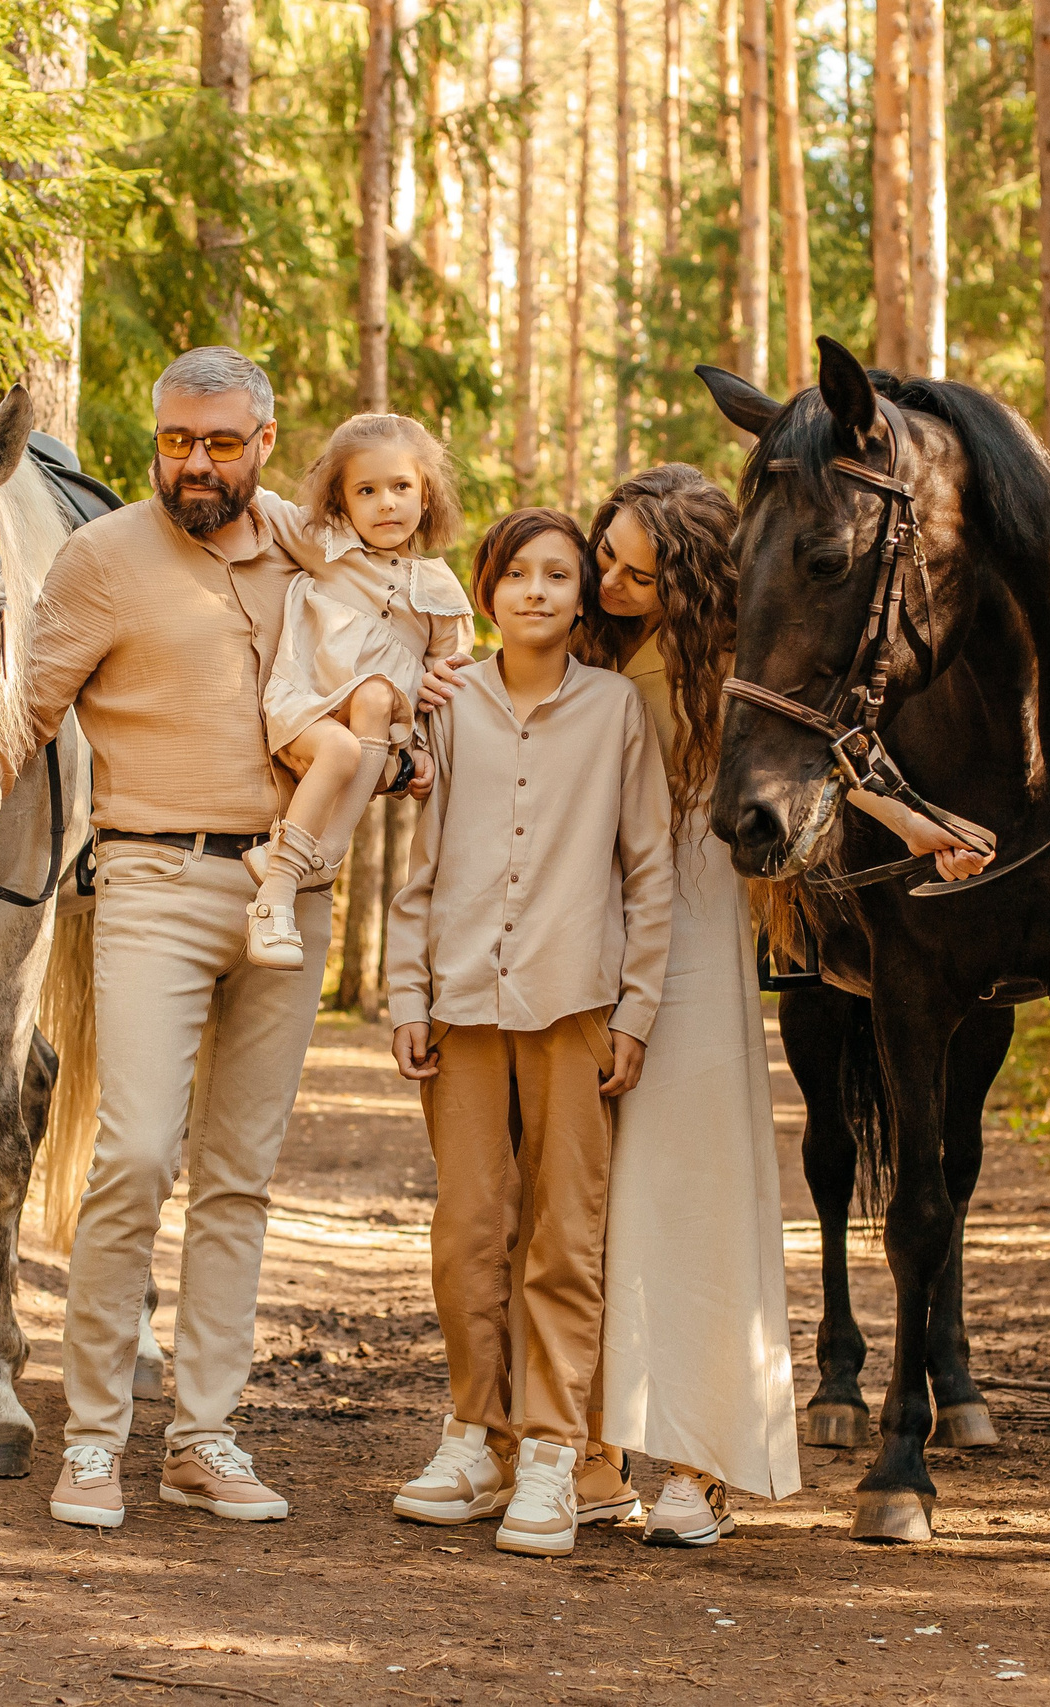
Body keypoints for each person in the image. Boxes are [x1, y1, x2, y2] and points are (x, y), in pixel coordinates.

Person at [0, 347, 330, 1531]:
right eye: (177, 440)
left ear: (264, 441)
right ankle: (92, 1442)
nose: (195, 463)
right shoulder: (105, 557)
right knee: (132, 1157)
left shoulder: (317, 551)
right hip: (150, 880)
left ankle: (205, 1439)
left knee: (238, 1176)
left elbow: (388, 670)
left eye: (221, 443)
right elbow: (26, 706)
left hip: (293, 890)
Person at [384, 507, 675, 1558]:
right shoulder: (451, 707)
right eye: (518, 575)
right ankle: (475, 1435)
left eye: (561, 575)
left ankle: (553, 1451)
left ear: (581, 594)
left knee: (564, 1232)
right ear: (486, 590)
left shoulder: (612, 713)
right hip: (460, 1002)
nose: (540, 592)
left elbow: (649, 869)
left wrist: (636, 1010)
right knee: (466, 1230)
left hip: (575, 1005)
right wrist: (405, 996)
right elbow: (416, 869)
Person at [572, 464, 805, 1546]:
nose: (611, 583)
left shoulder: (737, 671)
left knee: (691, 1185)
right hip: (579, 936)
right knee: (580, 1197)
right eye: (605, 559)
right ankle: (584, 1443)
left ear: (694, 578)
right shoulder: (583, 650)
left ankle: (701, 1458)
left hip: (699, 936)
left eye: (640, 573)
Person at [238, 416, 475, 970]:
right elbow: (261, 499)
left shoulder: (440, 592)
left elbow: (450, 683)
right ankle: (298, 876)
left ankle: (293, 867)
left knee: (372, 697)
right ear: (340, 500)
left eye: (400, 488)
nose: (386, 504)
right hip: (305, 712)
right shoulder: (327, 548)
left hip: (379, 738)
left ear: (427, 494)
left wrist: (422, 749)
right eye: (365, 491)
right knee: (352, 725)